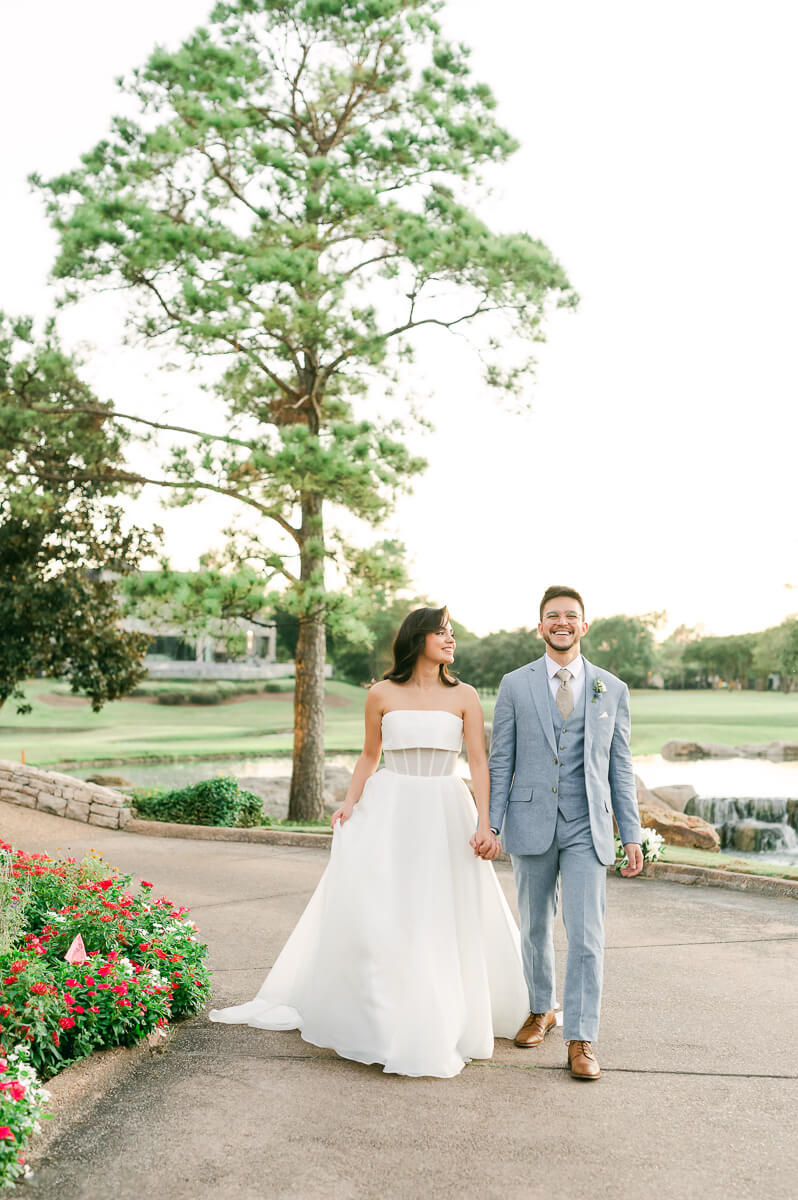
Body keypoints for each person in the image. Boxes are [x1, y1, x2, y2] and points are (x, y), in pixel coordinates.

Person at [209, 605, 528, 1078]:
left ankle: (446, 1011)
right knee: (389, 908)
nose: (450, 639)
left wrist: (486, 824)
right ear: (417, 638)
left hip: (445, 807)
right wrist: (349, 801)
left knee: (442, 908)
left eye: (452, 633)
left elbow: (478, 763)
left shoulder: (465, 695)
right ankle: (383, 1016)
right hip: (391, 807)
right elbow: (369, 754)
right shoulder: (381, 693)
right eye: (441, 632)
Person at [475, 586, 643, 1081]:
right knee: (533, 927)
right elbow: (501, 757)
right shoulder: (514, 684)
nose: (562, 622)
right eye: (553, 616)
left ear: (584, 626)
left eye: (571, 616)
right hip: (529, 823)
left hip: (587, 827)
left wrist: (629, 833)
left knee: (587, 936)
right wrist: (492, 822)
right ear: (540, 626)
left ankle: (582, 1037)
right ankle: (540, 1008)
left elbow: (620, 765)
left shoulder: (612, 688)